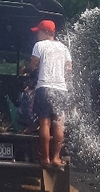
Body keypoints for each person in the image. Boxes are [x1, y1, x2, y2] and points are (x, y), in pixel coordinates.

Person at [29, 20, 72, 166]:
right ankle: (56, 158)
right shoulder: (64, 48)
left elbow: (33, 66)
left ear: (46, 33)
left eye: (38, 32)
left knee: (45, 124)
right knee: (59, 124)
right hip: (61, 89)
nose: (37, 35)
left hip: (44, 88)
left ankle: (45, 158)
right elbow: (69, 70)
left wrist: (26, 70)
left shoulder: (39, 46)